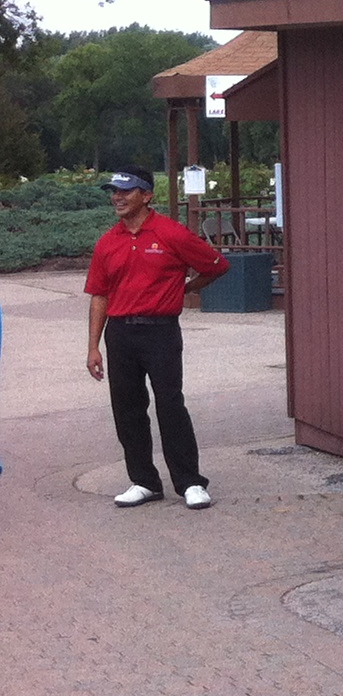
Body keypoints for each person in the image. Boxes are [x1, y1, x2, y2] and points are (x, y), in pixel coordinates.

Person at [84, 168, 228, 508]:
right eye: (114, 192)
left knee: (170, 404)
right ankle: (144, 481)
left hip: (160, 331)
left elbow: (216, 265)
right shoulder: (108, 242)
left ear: (147, 195)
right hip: (120, 333)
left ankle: (190, 482)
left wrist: (184, 289)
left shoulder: (170, 233)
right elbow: (99, 295)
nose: (117, 198)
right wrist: (93, 347)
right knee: (127, 408)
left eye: (126, 191)